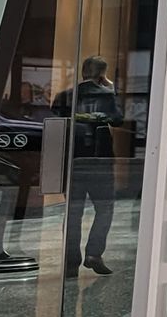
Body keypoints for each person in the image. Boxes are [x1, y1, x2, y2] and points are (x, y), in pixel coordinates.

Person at [52, 57, 121, 274]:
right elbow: (118, 119)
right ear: (102, 75)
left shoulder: (65, 96)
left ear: (82, 72)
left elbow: (56, 114)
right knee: (105, 208)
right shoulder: (106, 96)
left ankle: (71, 261)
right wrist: (111, 90)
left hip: (73, 160)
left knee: (73, 212)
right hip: (99, 162)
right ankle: (94, 254)